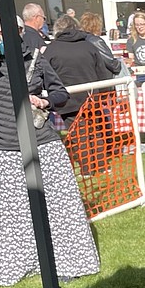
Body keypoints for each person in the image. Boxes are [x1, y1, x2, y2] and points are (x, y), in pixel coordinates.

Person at [0, 12, 99, 286]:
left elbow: (60, 92)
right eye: (2, 31)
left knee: (59, 205)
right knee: (11, 212)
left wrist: (46, 102)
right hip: (5, 145)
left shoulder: (37, 57)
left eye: (15, 30)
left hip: (42, 141)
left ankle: (70, 261)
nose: (11, 35)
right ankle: (16, 263)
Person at [44, 14, 121, 175]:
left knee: (80, 135)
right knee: (96, 131)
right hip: (92, 97)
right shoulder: (89, 46)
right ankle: (101, 167)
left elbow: (46, 74)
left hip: (67, 100)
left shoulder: (51, 49)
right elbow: (102, 72)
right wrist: (105, 94)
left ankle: (87, 170)